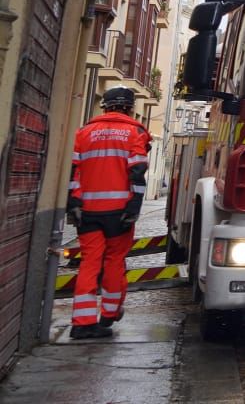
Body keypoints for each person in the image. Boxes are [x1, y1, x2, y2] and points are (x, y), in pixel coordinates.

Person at [67, 87, 151, 339]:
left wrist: (74, 203)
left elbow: (73, 172)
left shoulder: (83, 132)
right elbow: (137, 173)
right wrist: (134, 207)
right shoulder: (136, 132)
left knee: (89, 262)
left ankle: (82, 323)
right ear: (129, 107)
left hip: (88, 210)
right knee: (114, 261)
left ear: (104, 107)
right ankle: (109, 314)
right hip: (119, 211)